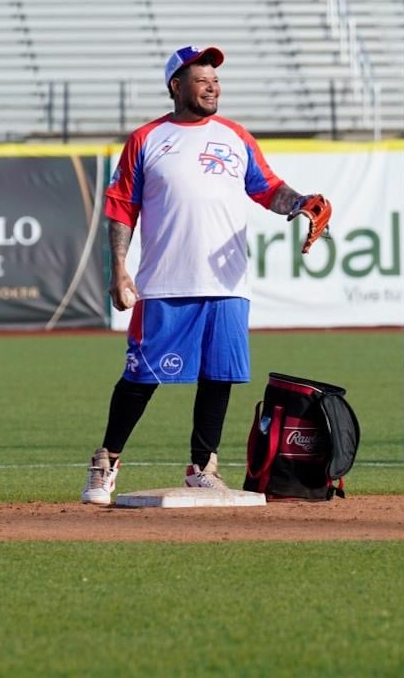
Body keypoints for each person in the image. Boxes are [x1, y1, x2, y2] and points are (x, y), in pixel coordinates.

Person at [81, 44, 332, 504]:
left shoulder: (235, 136)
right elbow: (120, 207)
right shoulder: (147, 139)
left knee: (219, 375)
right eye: (202, 79)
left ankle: (203, 466)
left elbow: (268, 188)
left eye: (216, 80)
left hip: (228, 283)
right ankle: (106, 461)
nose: (212, 86)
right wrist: (119, 269)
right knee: (142, 377)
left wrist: (299, 203)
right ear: (176, 86)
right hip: (165, 282)